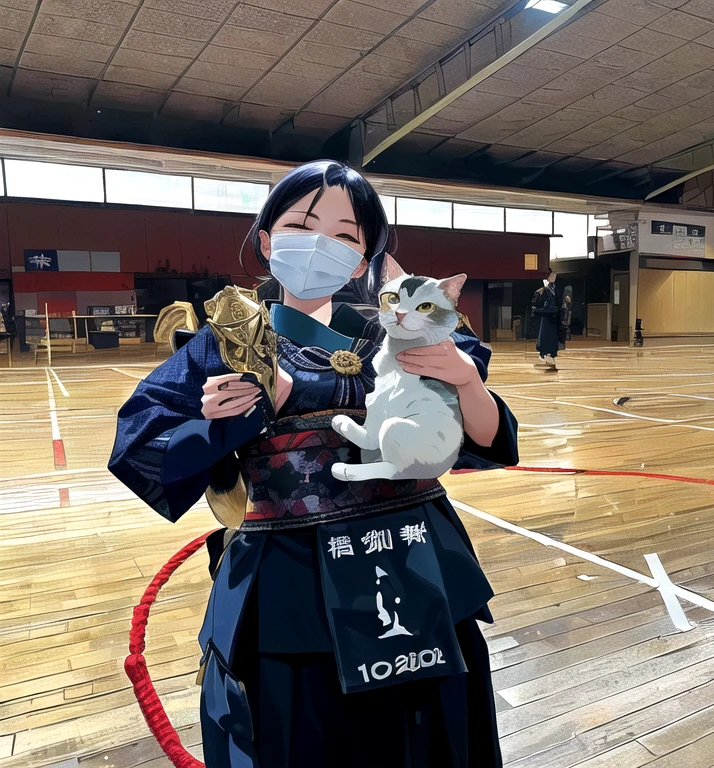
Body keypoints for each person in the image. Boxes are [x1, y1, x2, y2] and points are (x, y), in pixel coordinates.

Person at [108, 160, 519, 768]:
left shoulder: (396, 334)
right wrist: (223, 424)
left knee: (433, 730)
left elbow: (487, 438)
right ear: (268, 240)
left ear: (362, 261)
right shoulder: (226, 340)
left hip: (416, 562)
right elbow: (140, 450)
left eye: (348, 235)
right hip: (289, 580)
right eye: (304, 223)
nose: (323, 243)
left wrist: (464, 382)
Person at [532, 271, 559, 369]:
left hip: (552, 318)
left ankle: (549, 354)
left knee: (551, 338)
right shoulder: (542, 292)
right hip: (546, 317)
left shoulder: (554, 291)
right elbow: (535, 307)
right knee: (545, 337)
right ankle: (545, 354)